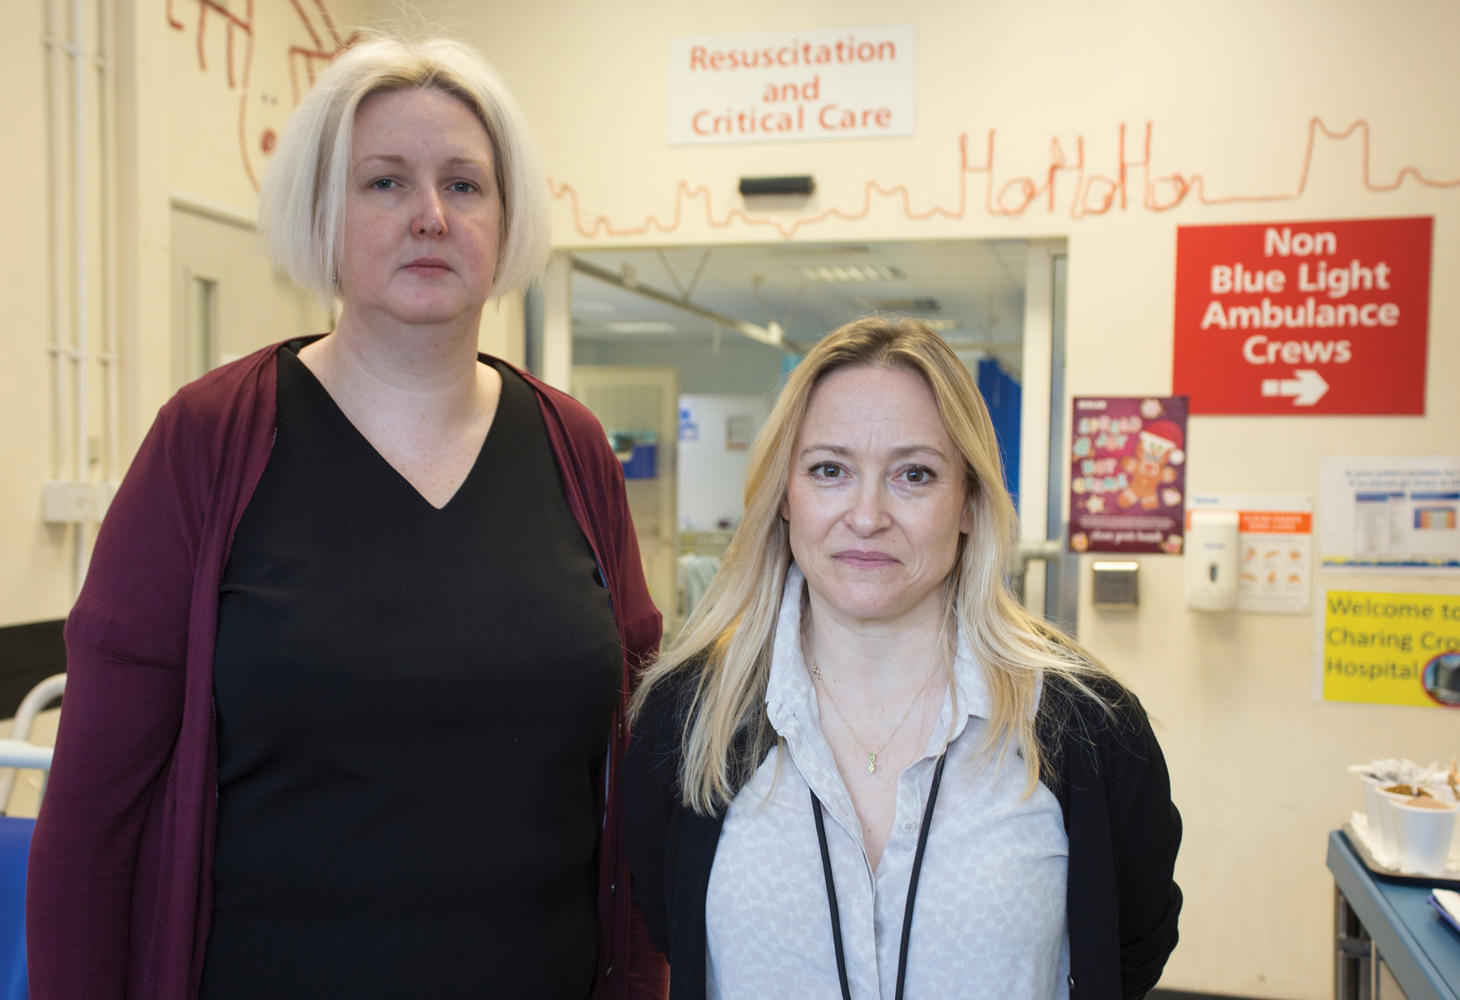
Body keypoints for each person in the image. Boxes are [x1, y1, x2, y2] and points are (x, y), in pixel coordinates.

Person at [28, 36, 666, 1000]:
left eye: (465, 184)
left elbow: (639, 768)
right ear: (323, 215)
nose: (430, 216)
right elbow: (89, 823)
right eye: (383, 183)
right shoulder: (207, 442)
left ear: (505, 218)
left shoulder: (573, 451)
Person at [624, 317, 1182, 1000]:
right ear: (784, 497)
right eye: (830, 470)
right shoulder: (687, 719)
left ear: (970, 501)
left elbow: (1132, 941)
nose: (866, 515)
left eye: (913, 475)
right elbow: (664, 914)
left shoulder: (1089, 726)